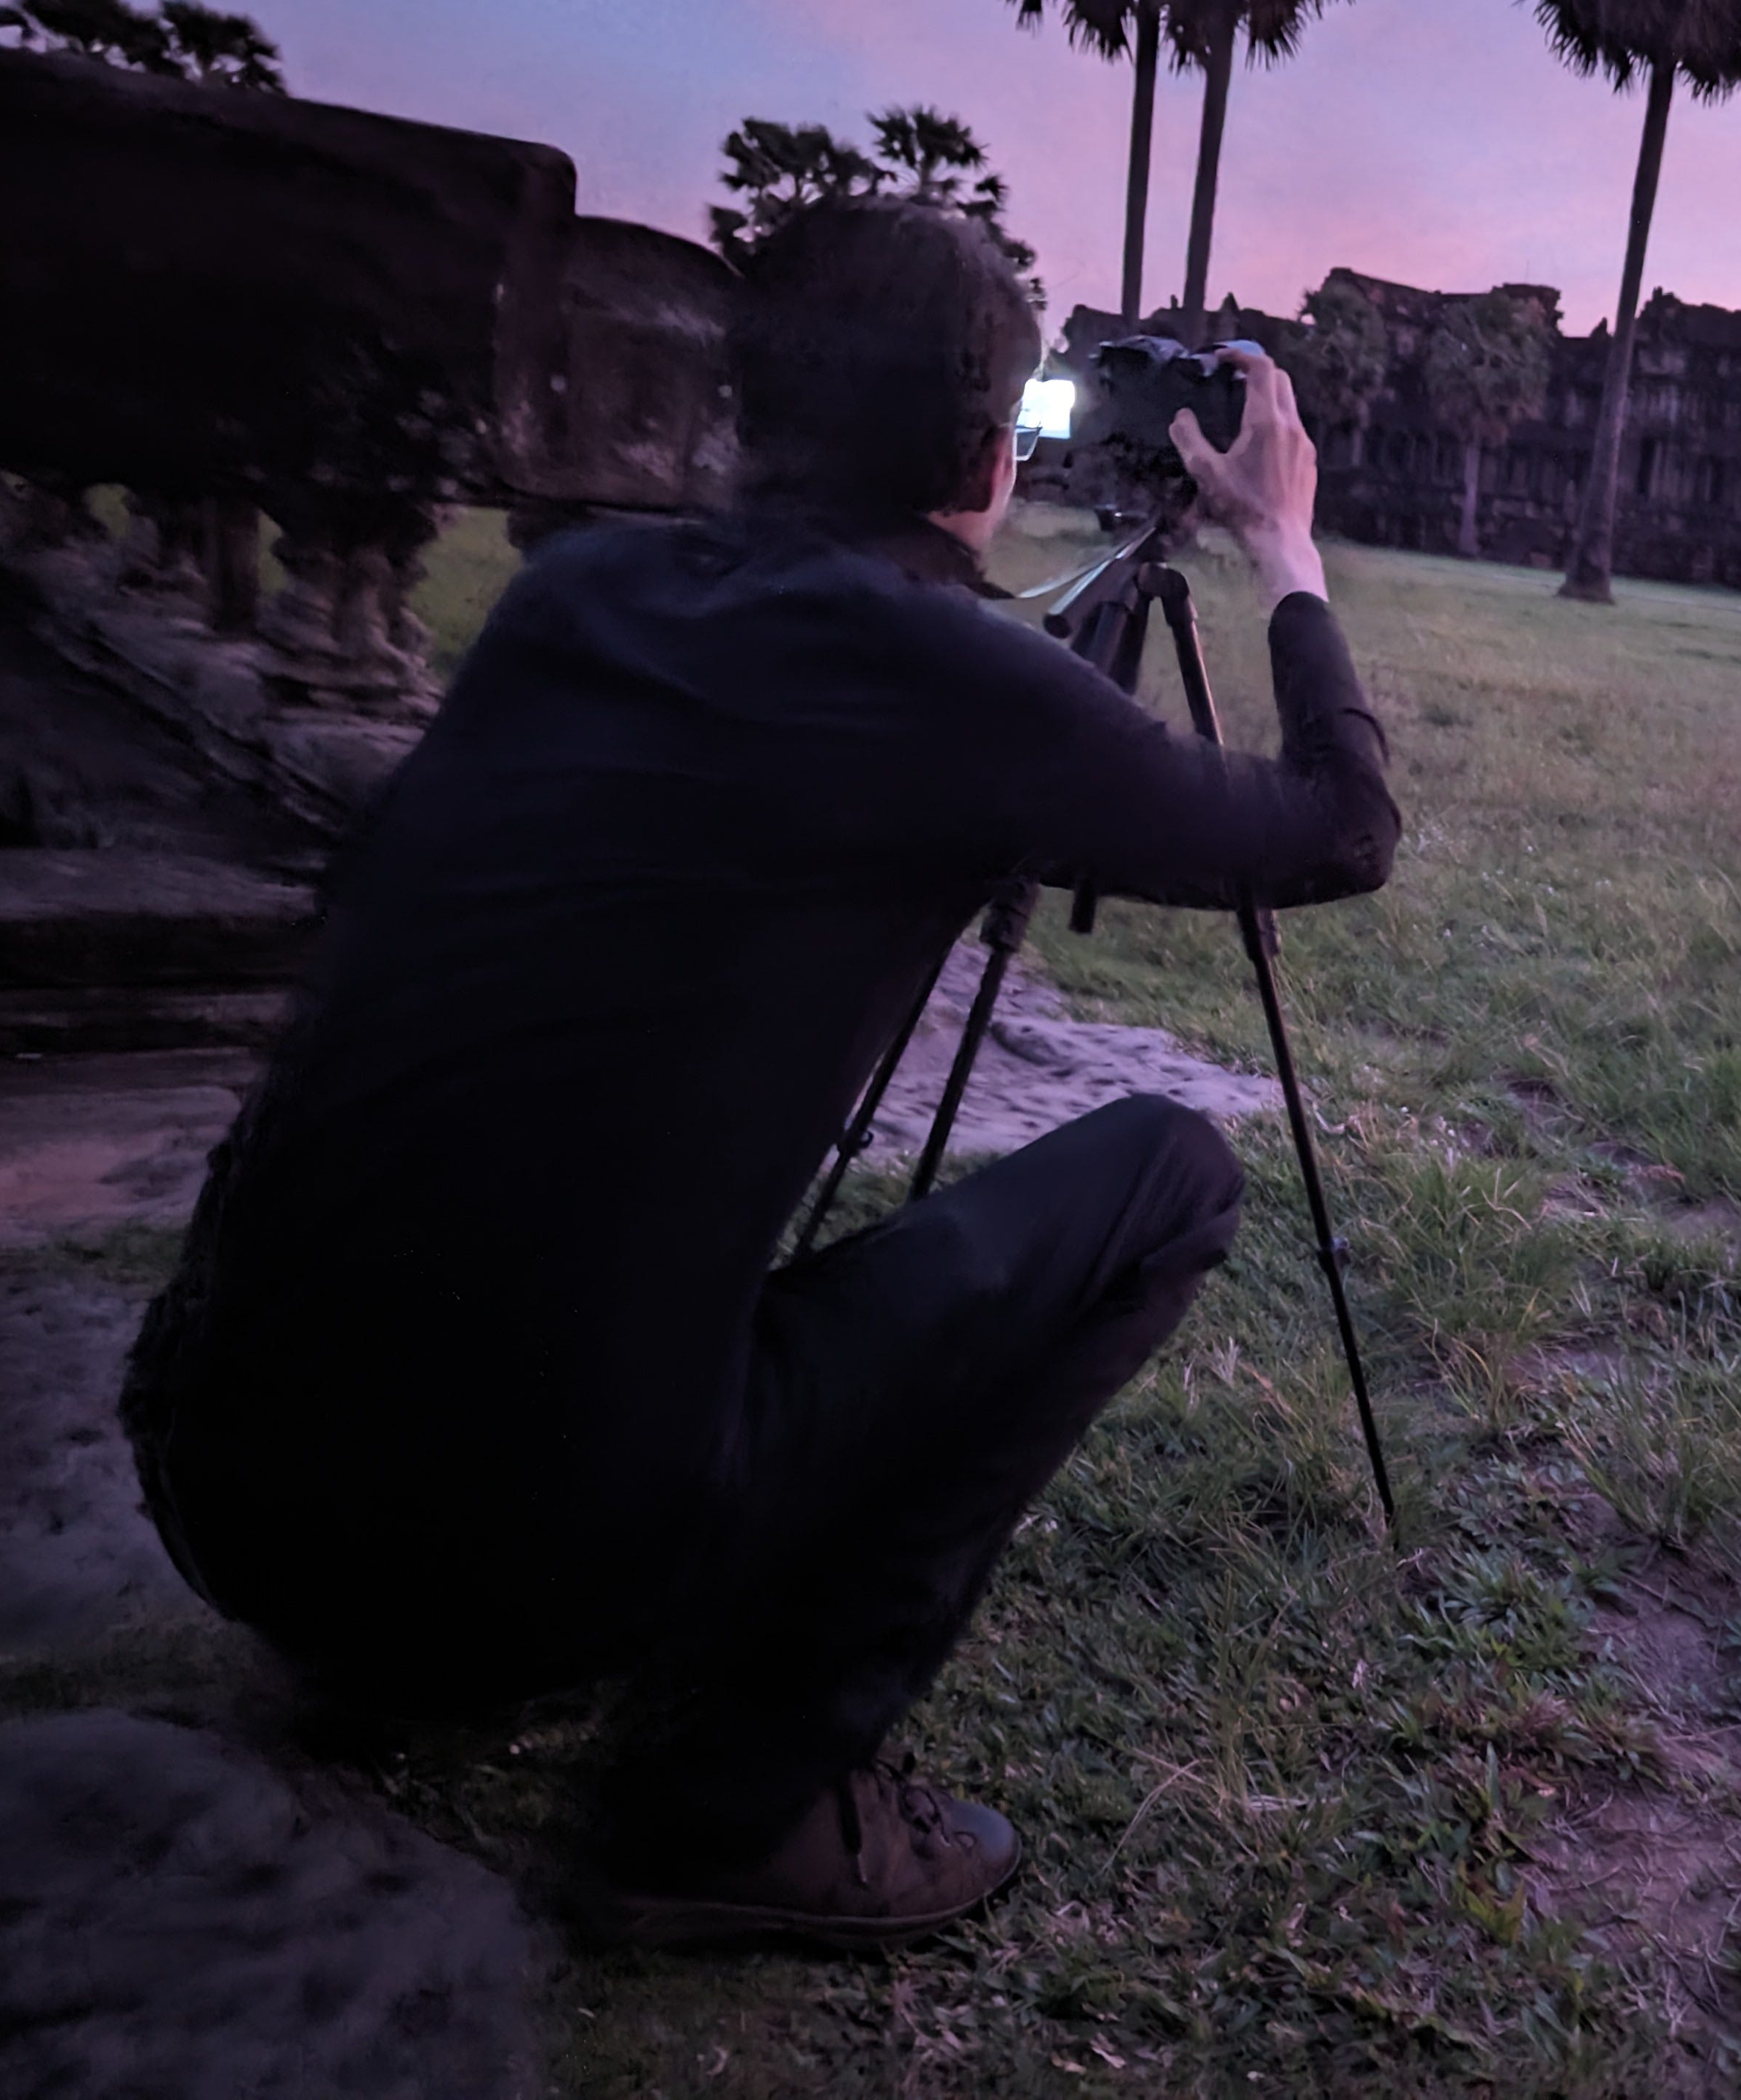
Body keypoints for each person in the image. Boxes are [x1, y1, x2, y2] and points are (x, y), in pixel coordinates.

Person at [119, 199, 1398, 1949]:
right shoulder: (950, 682)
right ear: (980, 437)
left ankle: (414, 1613)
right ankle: (729, 1807)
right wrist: (1287, 552)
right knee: (1168, 1175)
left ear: (749, 409)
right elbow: (1340, 830)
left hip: (219, 1485)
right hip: (509, 1569)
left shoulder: (575, 593)